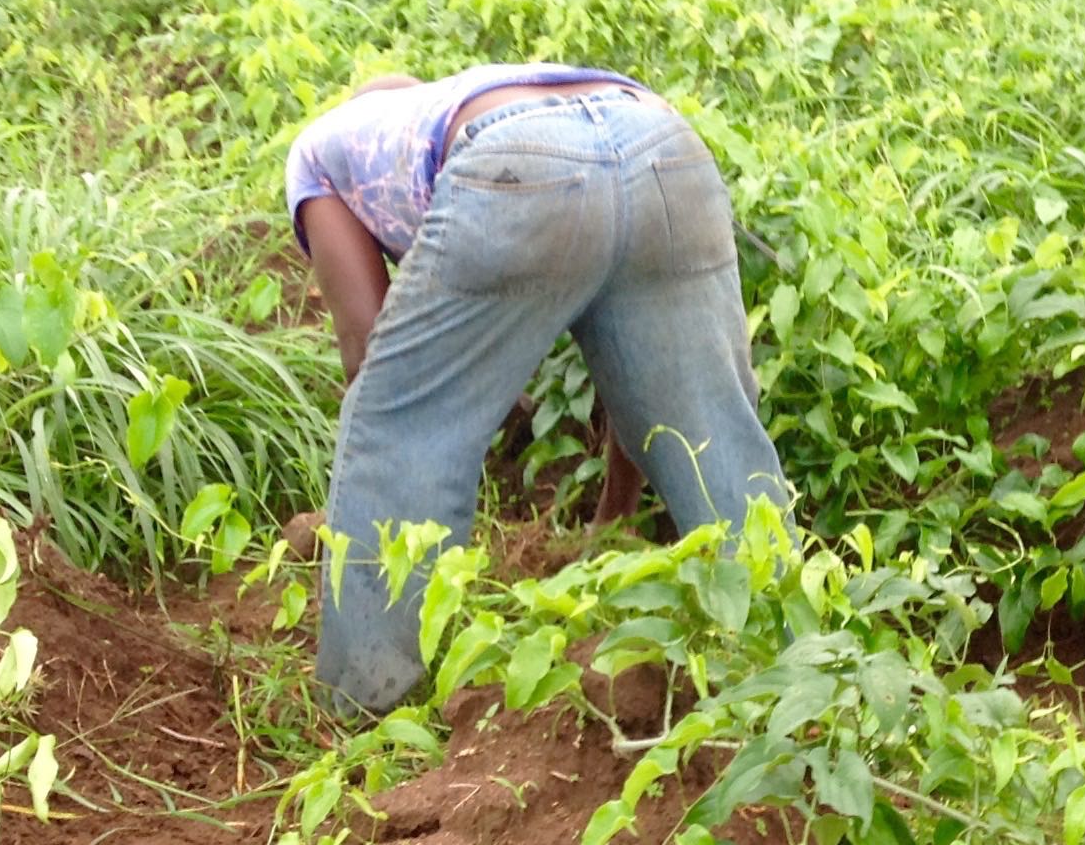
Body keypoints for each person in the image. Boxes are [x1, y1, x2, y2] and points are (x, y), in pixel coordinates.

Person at [285, 63, 788, 716]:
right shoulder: (463, 97)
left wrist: (439, 411)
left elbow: (368, 351)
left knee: (395, 421)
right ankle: (789, 669)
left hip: (520, 163)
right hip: (662, 137)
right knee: (711, 425)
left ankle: (367, 703)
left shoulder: (320, 156)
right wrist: (614, 517)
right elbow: (633, 375)